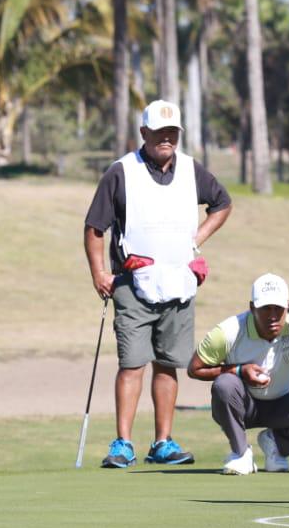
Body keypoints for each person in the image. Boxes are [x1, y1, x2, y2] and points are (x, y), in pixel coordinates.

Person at [83, 100, 233, 468]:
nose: (166, 139)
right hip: (133, 283)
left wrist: (195, 240)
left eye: (172, 133)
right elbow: (94, 228)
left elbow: (222, 203)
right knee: (132, 363)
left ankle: (162, 443)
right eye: (159, 133)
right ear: (144, 133)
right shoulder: (121, 172)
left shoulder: (190, 171)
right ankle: (123, 444)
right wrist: (99, 274)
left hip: (179, 285)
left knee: (168, 364)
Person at [188, 270, 289, 474]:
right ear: (252, 307)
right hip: (243, 404)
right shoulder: (229, 331)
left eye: (278, 309)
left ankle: (275, 444)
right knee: (225, 384)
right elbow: (194, 369)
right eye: (265, 309)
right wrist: (239, 370)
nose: (272, 316)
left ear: (288, 306)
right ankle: (241, 453)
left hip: (283, 401)